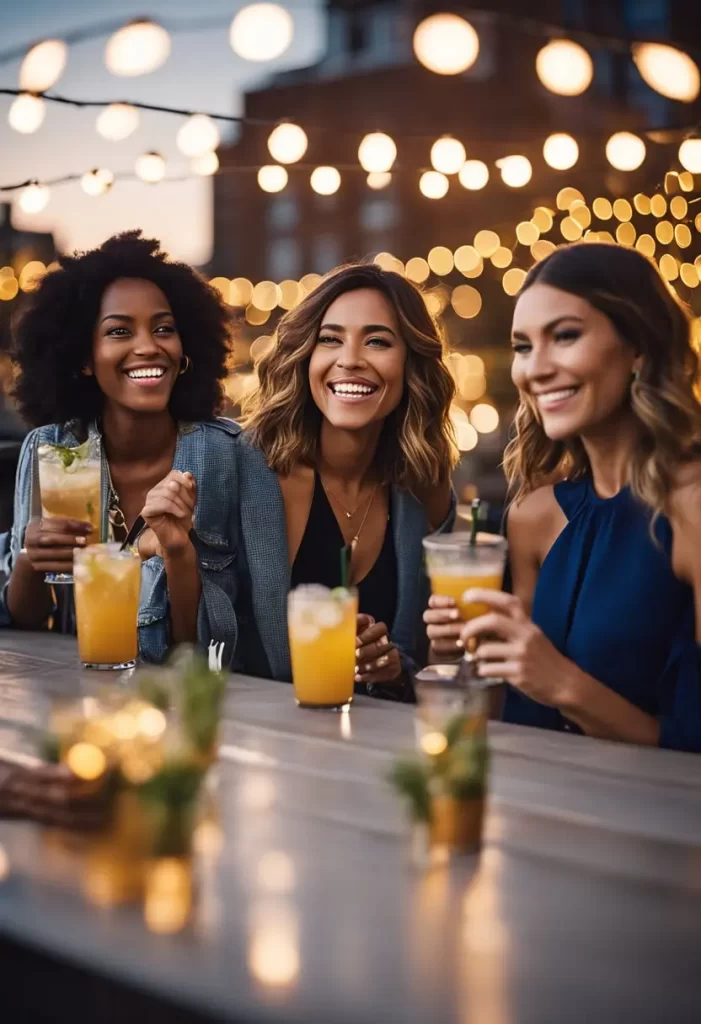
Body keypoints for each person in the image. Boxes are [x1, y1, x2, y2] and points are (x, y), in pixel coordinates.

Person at [427, 241, 701, 751]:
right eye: (523, 347)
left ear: (639, 345)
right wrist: (470, 651)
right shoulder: (533, 514)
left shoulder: (691, 507)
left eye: (566, 336)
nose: (536, 369)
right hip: (534, 808)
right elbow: (514, 716)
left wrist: (562, 683)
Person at [2, 232, 240, 665]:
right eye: (119, 331)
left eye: (164, 329)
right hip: (77, 702)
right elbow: (28, 623)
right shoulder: (52, 449)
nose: (148, 346)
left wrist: (178, 551)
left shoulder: (227, 456)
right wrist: (29, 561)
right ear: (84, 357)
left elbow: (204, 650)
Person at [236, 262, 457, 700]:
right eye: (330, 339)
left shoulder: (423, 484)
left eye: (377, 341)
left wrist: (392, 668)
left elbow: (434, 661)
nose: (351, 360)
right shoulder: (249, 470)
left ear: (411, 361)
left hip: (377, 754)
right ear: (305, 356)